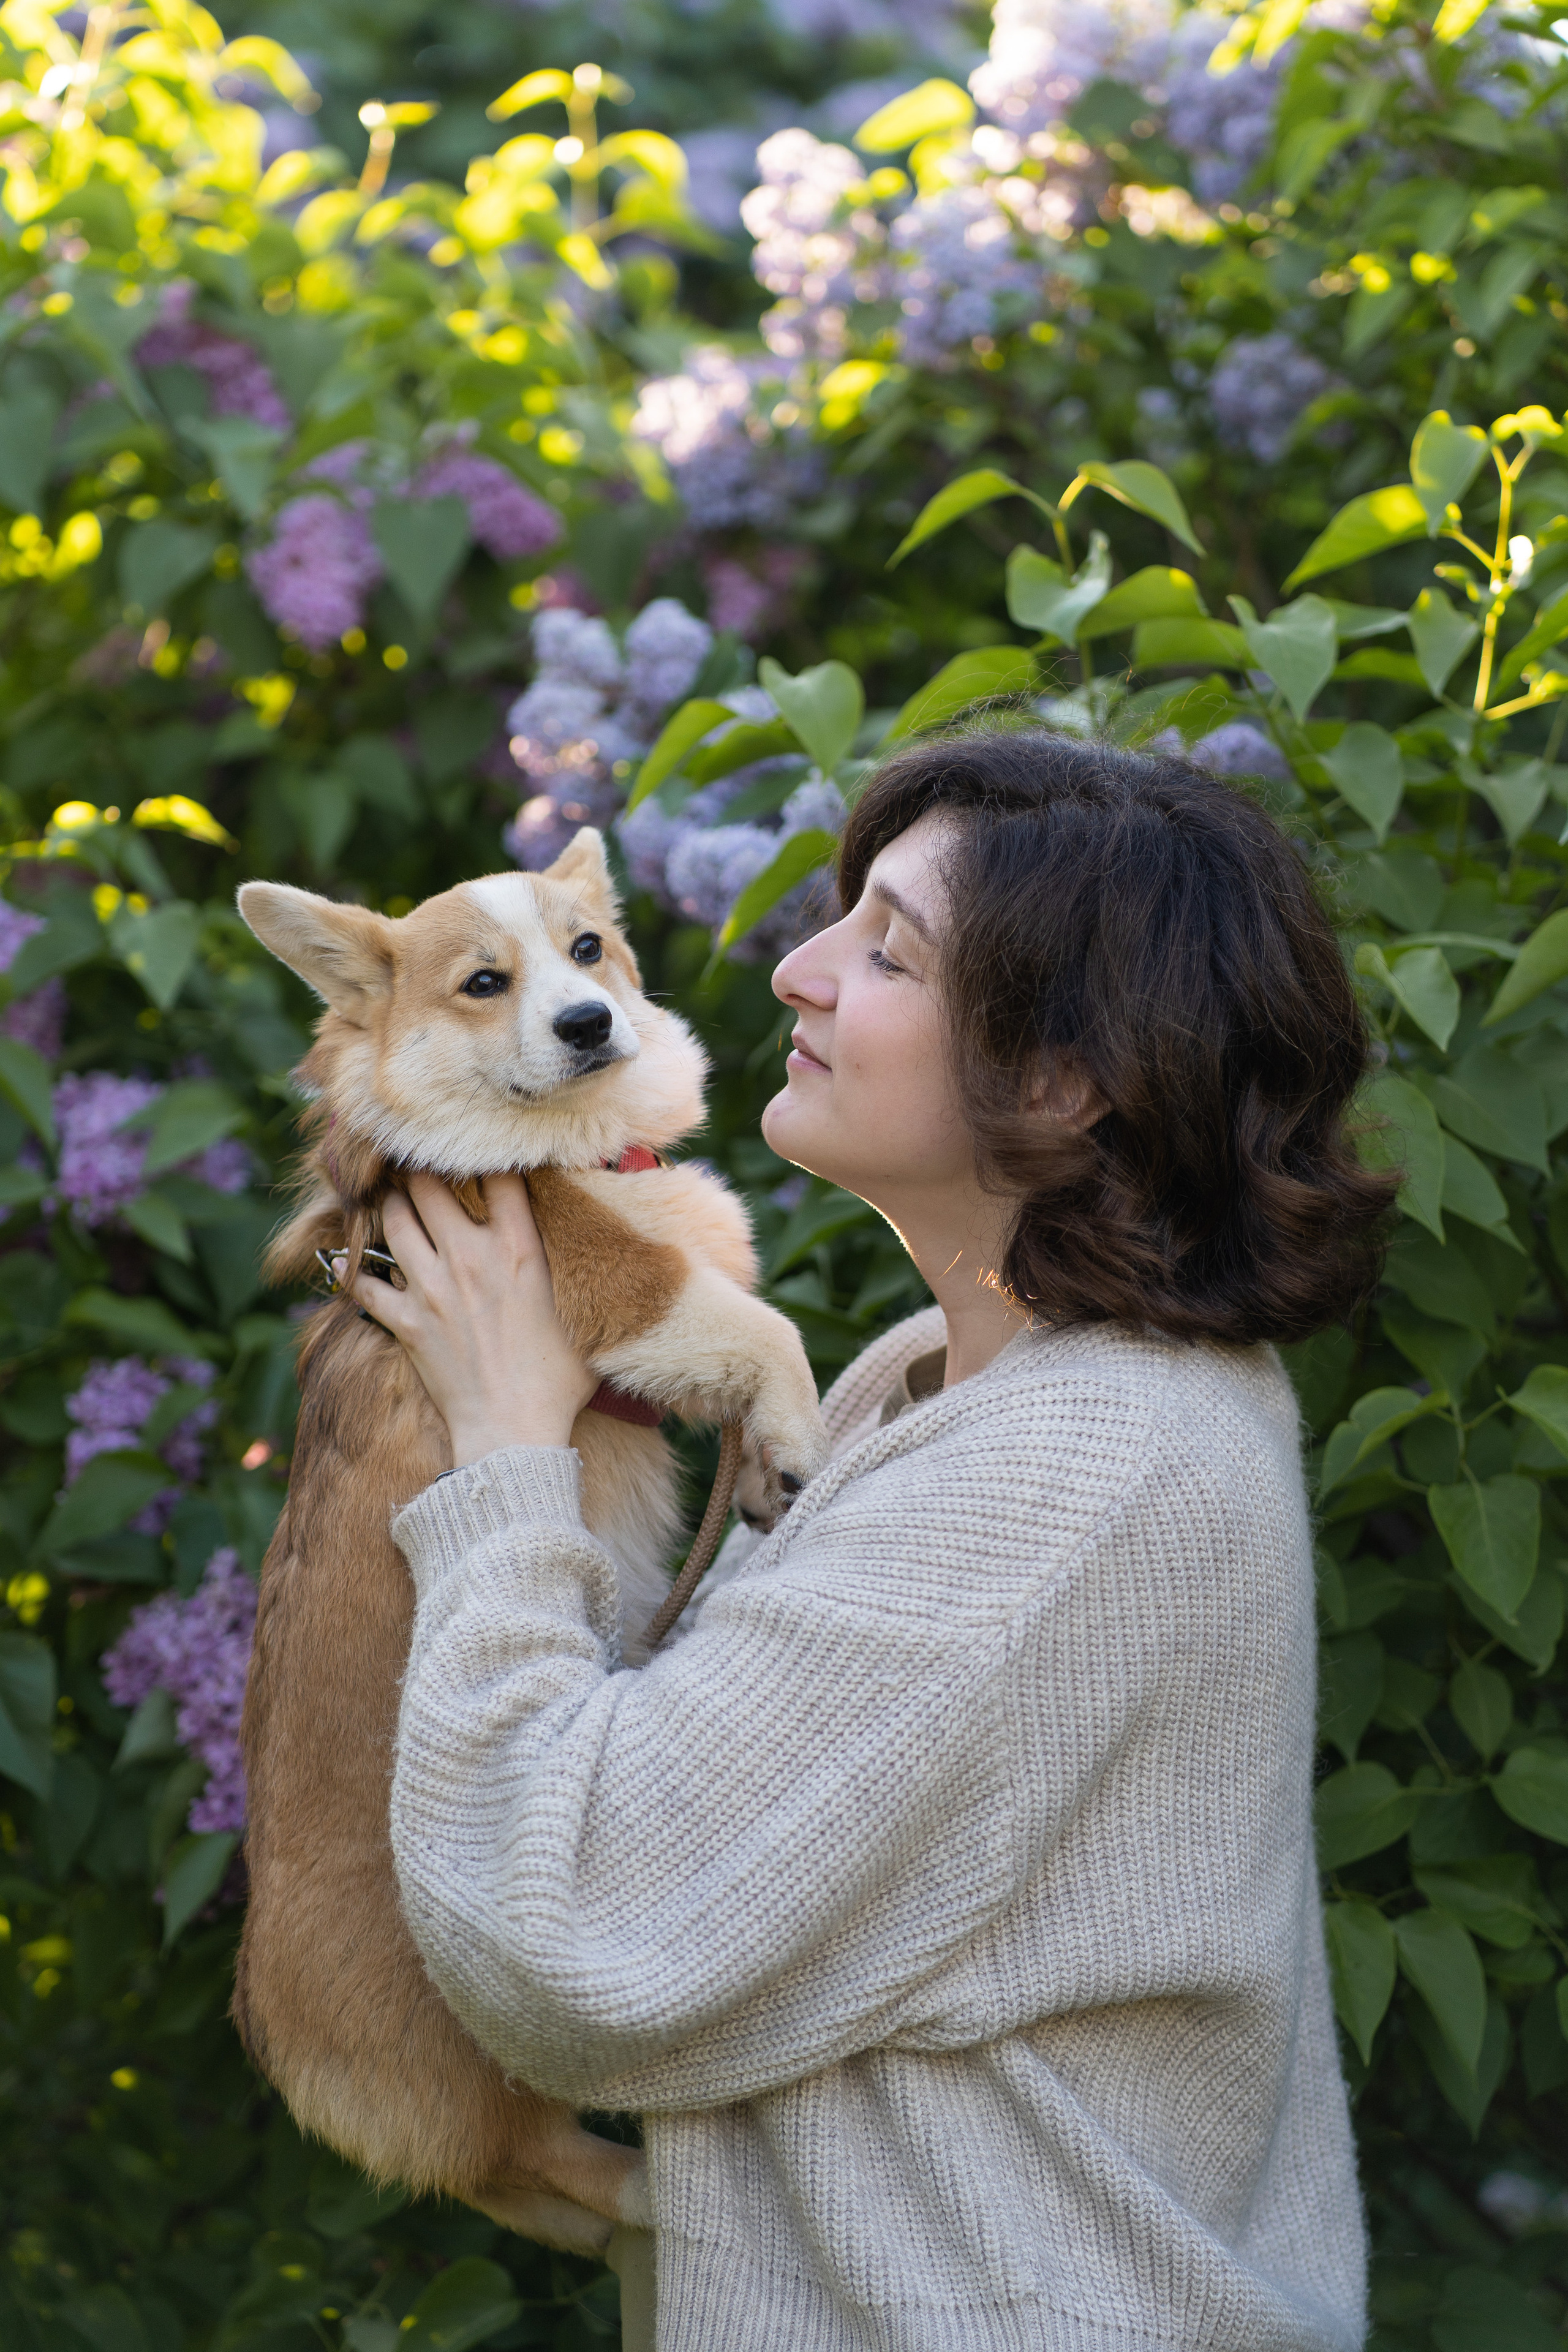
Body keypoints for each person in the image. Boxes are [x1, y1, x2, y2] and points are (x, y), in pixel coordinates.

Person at [349, 728, 1392, 2352]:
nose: (798, 973)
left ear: (1066, 1079)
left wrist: (501, 1451)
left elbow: (564, 1941)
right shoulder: (949, 1385)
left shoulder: (1074, 1477)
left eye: (888, 949)